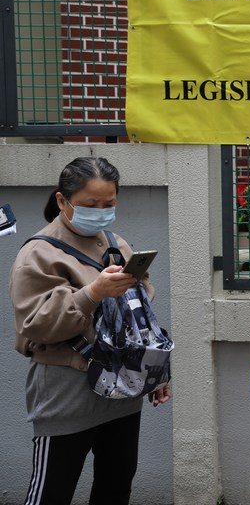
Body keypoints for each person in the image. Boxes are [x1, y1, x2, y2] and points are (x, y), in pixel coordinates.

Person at [10, 156, 172, 505]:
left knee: (116, 488)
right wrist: (92, 294)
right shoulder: (38, 254)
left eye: (109, 204)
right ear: (61, 201)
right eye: (89, 205)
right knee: (51, 491)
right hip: (65, 393)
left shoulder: (116, 243)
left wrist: (154, 371)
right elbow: (35, 324)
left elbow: (139, 318)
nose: (100, 212)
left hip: (121, 393)